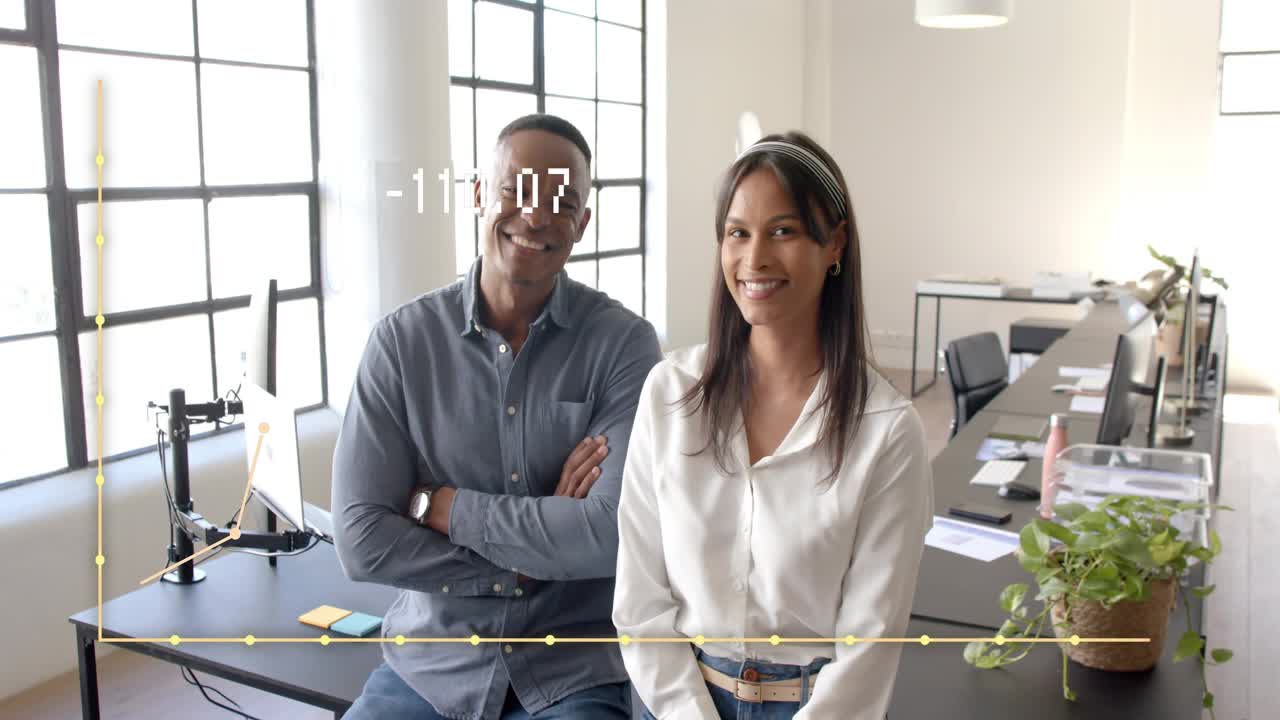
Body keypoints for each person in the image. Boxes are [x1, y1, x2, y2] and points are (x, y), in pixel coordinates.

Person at [333, 113, 662, 720]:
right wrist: (536, 552)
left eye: (561, 201)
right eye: (518, 189)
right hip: (432, 663)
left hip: (573, 669)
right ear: (481, 193)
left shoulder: (624, 347)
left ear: (582, 224)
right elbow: (359, 540)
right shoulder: (401, 346)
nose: (536, 217)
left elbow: (605, 537)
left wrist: (440, 506)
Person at [612, 132, 933, 719]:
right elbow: (640, 602)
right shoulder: (669, 393)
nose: (754, 259)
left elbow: (871, 641)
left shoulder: (886, 430)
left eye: (782, 231)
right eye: (738, 232)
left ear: (834, 243)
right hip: (679, 701)